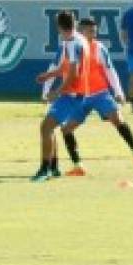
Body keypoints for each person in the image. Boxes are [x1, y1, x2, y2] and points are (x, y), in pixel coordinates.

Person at [60, 17, 133, 171]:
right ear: (80, 31)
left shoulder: (99, 48)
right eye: (90, 31)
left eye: (95, 31)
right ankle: (77, 165)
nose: (94, 34)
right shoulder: (68, 47)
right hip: (80, 96)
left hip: (100, 93)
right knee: (66, 129)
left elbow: (109, 70)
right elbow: (63, 69)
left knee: (118, 119)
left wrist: (118, 92)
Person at [32, 11, 86, 182]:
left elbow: (73, 73)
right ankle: (53, 167)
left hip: (72, 94)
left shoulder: (70, 44)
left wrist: (58, 91)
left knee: (45, 127)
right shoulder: (80, 40)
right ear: (74, 23)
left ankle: (44, 169)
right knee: (50, 127)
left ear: (59, 27)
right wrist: (48, 76)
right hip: (78, 92)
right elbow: (67, 67)